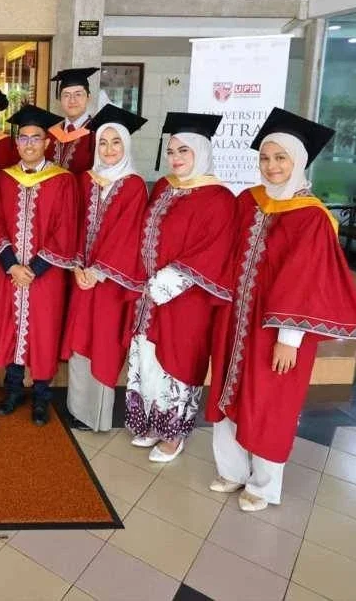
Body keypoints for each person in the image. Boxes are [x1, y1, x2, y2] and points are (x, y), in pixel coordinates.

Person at [206, 108, 356, 511]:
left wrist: (289, 339)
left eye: (280, 158)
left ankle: (262, 485)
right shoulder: (249, 201)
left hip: (276, 330)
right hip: (237, 320)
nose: (271, 166)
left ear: (297, 162)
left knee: (269, 403)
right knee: (229, 392)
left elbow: (306, 283)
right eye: (265, 157)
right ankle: (232, 471)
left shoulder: (312, 217)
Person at [125, 112, 236, 463]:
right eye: (172, 151)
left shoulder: (219, 198)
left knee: (177, 363)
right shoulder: (164, 186)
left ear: (201, 152)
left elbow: (213, 251)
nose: (175, 158)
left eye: (184, 151)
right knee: (147, 357)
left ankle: (174, 435)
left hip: (187, 299)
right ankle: (150, 424)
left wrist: (164, 282)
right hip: (150, 297)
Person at [0, 105, 77, 426]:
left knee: (43, 331)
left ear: (47, 142)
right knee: (11, 328)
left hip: (45, 275)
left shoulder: (63, 181)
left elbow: (65, 230)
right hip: (9, 273)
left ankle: (41, 396)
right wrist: (12, 265)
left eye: (35, 138)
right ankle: (12, 391)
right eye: (22, 138)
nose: (28, 144)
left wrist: (34, 269)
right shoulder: (4, 179)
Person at [62, 104, 149, 432]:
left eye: (116, 143)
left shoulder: (134, 185)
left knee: (103, 341)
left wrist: (97, 272)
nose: (109, 149)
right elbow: (74, 223)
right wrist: (76, 266)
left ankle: (96, 416)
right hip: (81, 276)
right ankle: (76, 408)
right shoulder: (85, 180)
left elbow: (127, 236)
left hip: (111, 282)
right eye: (103, 142)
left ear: (126, 146)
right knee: (80, 340)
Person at [46, 67, 99, 173]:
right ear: (60, 99)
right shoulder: (51, 133)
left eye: (78, 94)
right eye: (66, 95)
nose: (72, 100)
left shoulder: (98, 133)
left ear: (88, 97)